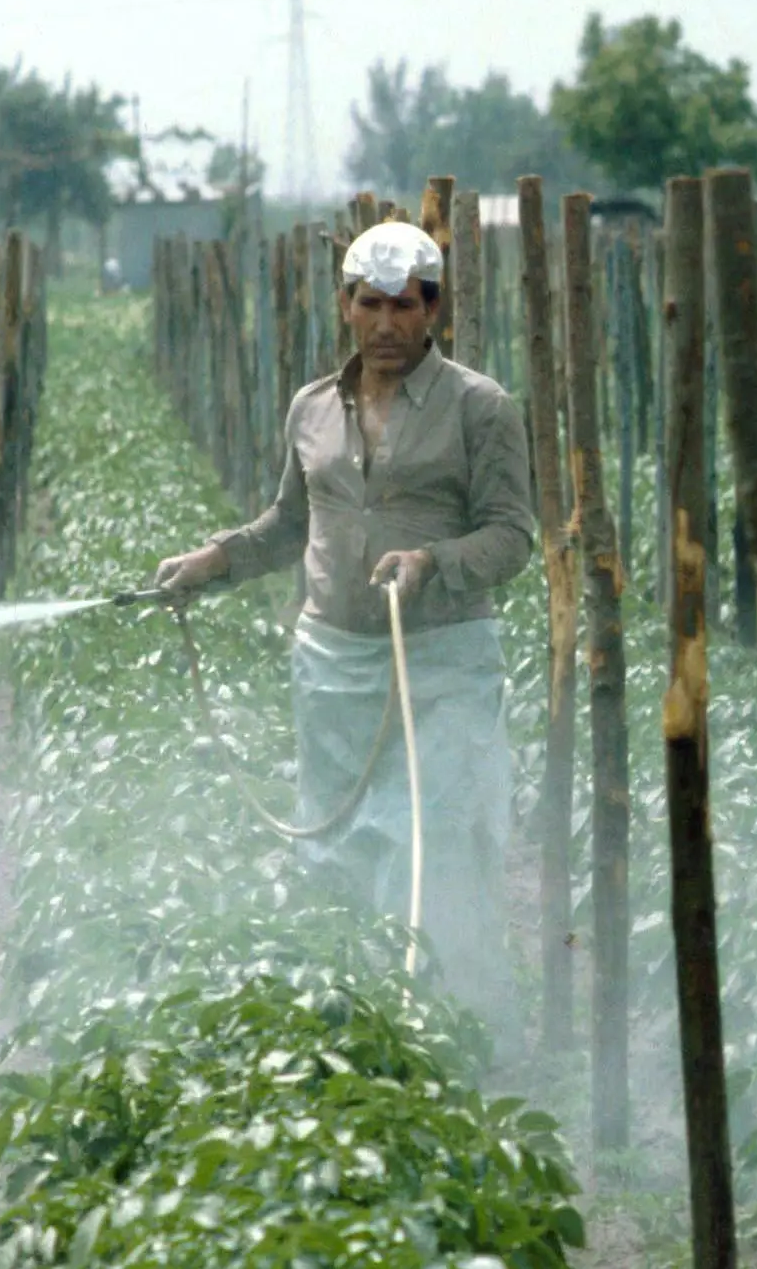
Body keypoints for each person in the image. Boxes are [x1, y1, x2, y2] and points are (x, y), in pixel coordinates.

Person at [154, 221, 537, 1039]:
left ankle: (455, 1033)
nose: (388, 325)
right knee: (335, 852)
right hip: (331, 664)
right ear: (345, 306)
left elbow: (511, 537)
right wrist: (212, 561)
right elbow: (290, 524)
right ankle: (348, 1030)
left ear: (435, 309)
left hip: (441, 664)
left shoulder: (481, 407)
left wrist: (433, 561)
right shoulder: (311, 408)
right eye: (371, 305)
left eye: (405, 306)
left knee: (426, 845)